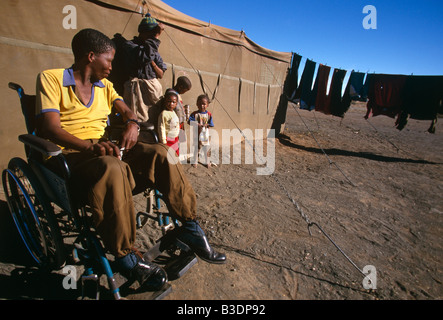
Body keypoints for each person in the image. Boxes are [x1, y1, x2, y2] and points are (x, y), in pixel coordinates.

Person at [35, 29, 226, 292]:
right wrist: (91, 147)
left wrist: (132, 123)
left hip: (104, 149)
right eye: (109, 60)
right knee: (113, 167)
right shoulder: (52, 79)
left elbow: (126, 109)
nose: (112, 67)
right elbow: (49, 128)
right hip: (68, 158)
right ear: (90, 57)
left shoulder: (106, 86)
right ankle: (126, 256)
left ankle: (190, 226)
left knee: (161, 152)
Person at [122, 14, 167, 123]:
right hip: (137, 91)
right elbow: (144, 57)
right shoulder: (130, 45)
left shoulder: (153, 48)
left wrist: (152, 62)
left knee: (154, 119)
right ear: (143, 32)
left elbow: (161, 72)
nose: (152, 36)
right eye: (151, 33)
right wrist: (155, 37)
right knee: (137, 120)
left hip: (152, 91)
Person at [188, 94, 214, 168]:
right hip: (197, 134)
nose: (202, 105)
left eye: (204, 104)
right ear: (197, 104)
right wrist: (197, 124)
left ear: (207, 105)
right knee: (196, 148)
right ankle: (195, 161)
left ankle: (207, 161)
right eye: (200, 104)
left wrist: (207, 125)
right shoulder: (194, 114)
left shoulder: (209, 114)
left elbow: (211, 124)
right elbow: (189, 122)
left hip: (205, 135)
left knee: (206, 148)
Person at [158, 90, 180, 155]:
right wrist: (163, 141)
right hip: (168, 140)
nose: (171, 104)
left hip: (175, 139)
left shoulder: (174, 113)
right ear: (165, 102)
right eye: (169, 101)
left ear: (176, 104)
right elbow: (161, 128)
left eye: (173, 102)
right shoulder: (163, 114)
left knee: (176, 155)